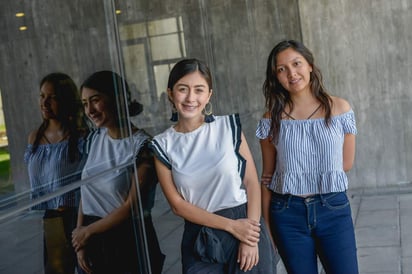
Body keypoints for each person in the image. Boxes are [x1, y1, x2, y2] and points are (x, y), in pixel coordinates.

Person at [150, 58, 276, 274]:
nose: (191, 98)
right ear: (170, 93)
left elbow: (251, 182)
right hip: (199, 235)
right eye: (183, 89)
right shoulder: (162, 144)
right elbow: (178, 205)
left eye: (199, 90)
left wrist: (250, 236)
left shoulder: (228, 127)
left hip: (244, 222)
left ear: (209, 95)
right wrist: (230, 226)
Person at [256, 40, 359, 274]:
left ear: (310, 65)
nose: (291, 73)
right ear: (276, 77)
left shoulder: (340, 109)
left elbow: (346, 163)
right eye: (282, 69)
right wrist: (268, 228)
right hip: (287, 213)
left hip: (332, 208)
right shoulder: (271, 118)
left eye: (296, 63)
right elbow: (267, 176)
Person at [71, 70, 165, 274]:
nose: (90, 110)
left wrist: (86, 232)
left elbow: (131, 207)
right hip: (92, 238)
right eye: (85, 104)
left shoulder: (143, 146)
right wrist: (80, 238)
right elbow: (86, 190)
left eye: (95, 101)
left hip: (126, 241)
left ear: (118, 99)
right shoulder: (96, 139)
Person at [24, 72, 85, 274]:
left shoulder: (81, 136)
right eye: (42, 96)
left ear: (66, 100)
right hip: (51, 218)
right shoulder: (35, 137)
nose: (45, 102)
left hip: (80, 216)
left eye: (52, 97)